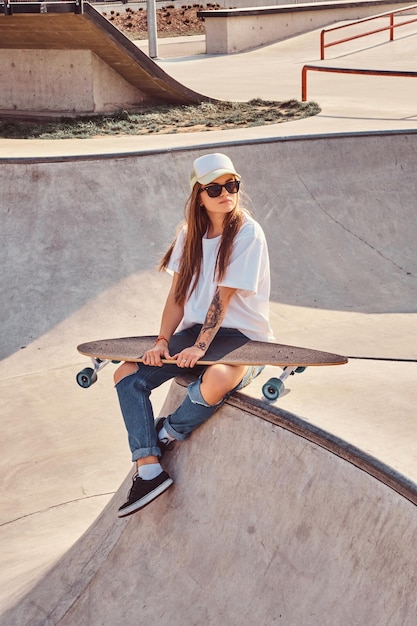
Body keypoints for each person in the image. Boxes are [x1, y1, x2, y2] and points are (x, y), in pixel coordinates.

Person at [114, 152, 274, 517]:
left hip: (244, 339)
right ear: (198, 195)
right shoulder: (189, 235)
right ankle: (149, 468)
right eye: (214, 188)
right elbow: (176, 296)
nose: (225, 194)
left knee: (215, 377)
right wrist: (161, 342)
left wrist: (200, 347)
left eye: (231, 185)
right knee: (126, 374)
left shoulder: (248, 233)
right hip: (195, 332)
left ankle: (166, 432)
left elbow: (224, 296)